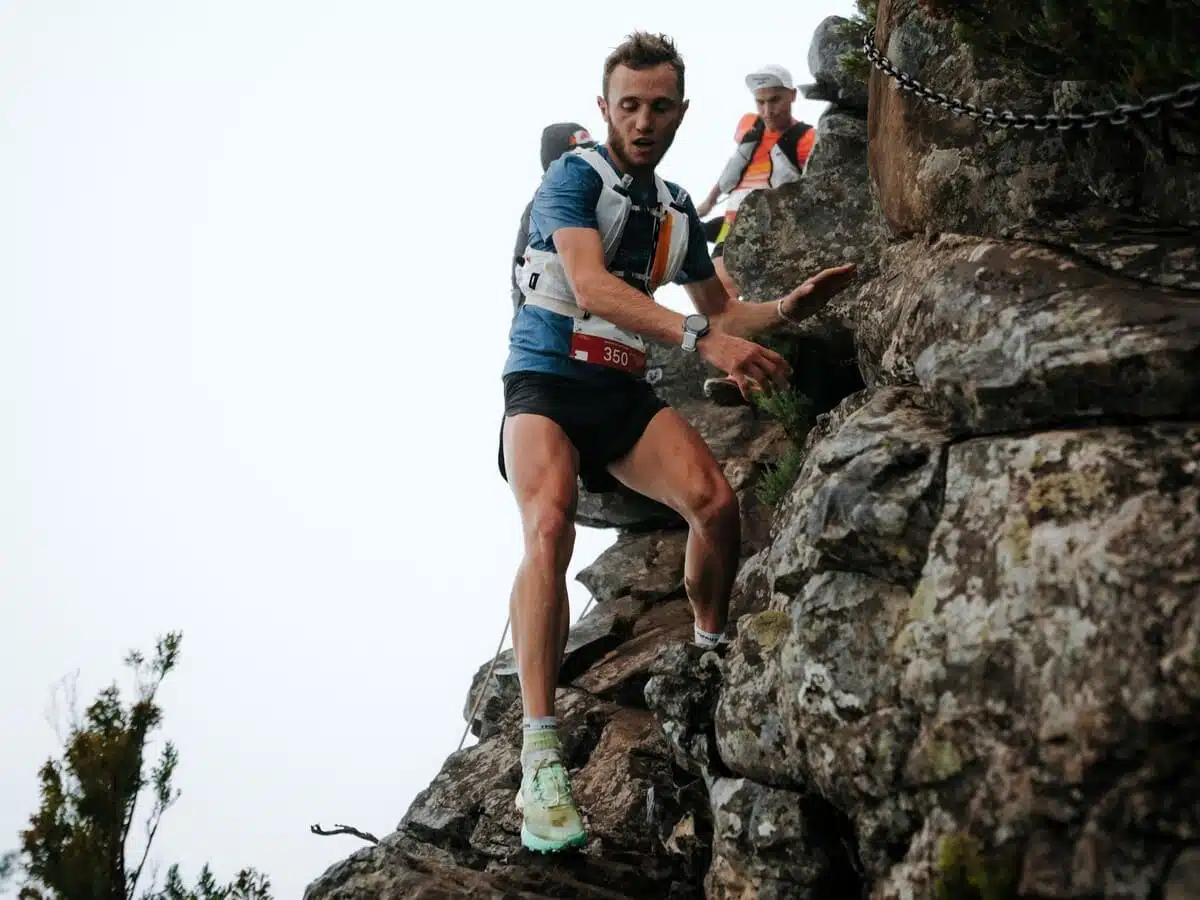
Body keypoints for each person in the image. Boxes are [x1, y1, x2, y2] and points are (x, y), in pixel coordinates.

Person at [499, 32, 855, 855]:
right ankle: (540, 756)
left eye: (659, 107)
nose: (643, 121)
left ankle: (707, 652)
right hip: (545, 380)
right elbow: (590, 285)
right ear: (604, 108)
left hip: (620, 389)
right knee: (548, 525)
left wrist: (788, 307)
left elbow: (724, 311)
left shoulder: (676, 207)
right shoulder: (572, 178)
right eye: (629, 105)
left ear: (682, 111)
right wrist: (702, 339)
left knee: (716, 507)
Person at [510, 123, 597, 319]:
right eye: (580, 155)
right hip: (556, 320)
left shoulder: (605, 196)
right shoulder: (542, 206)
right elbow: (521, 282)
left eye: (592, 150)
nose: (592, 160)